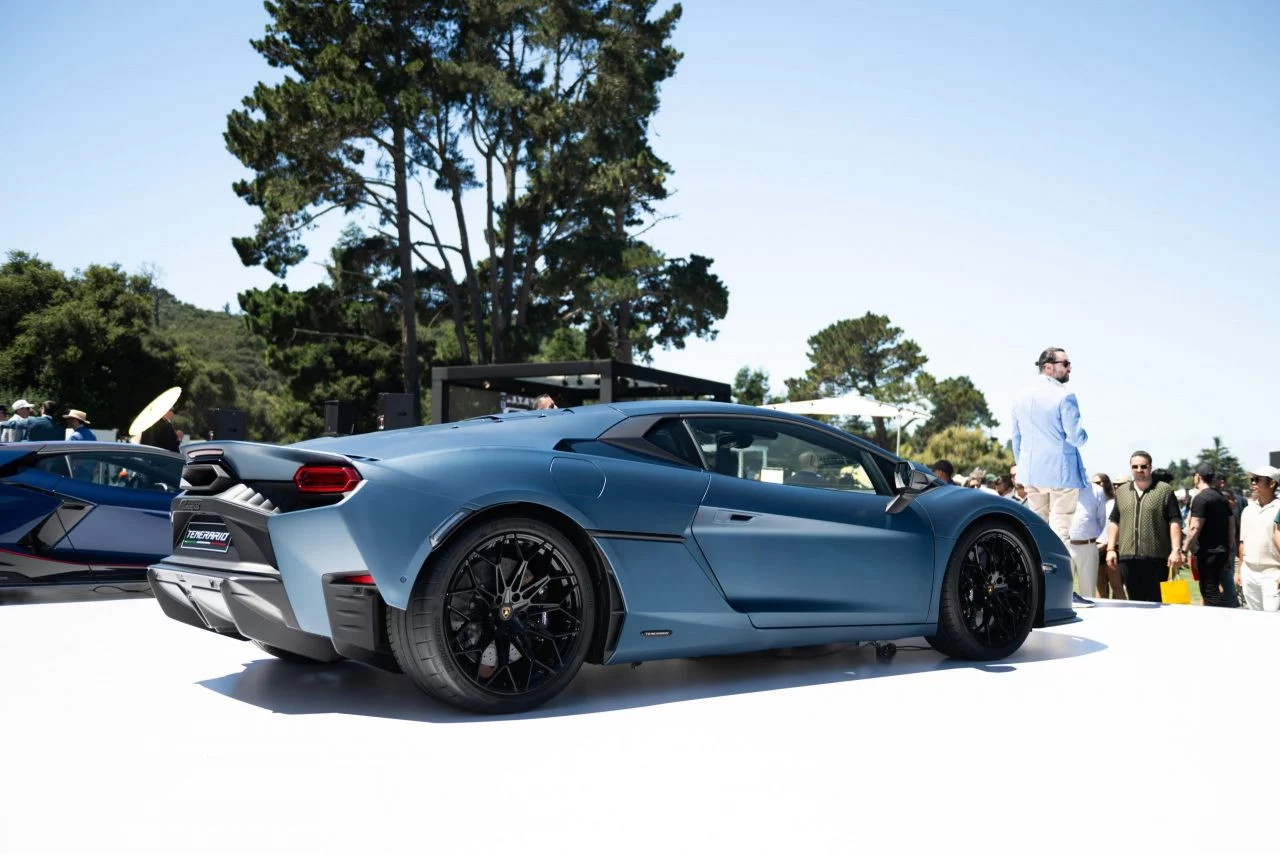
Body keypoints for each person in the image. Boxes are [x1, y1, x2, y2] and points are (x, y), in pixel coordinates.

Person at [1011, 347, 1089, 545]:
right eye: (1065, 364)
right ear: (1048, 367)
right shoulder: (1064, 396)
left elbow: (1016, 439)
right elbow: (1076, 437)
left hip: (1031, 474)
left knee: (1037, 532)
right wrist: (1084, 436)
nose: (1069, 368)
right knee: (1060, 532)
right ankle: (1060, 576)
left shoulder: (1020, 397)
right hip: (1061, 475)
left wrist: (1022, 467)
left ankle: (1039, 575)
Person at [1105, 451, 1183, 603]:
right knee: (1135, 603)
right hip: (1128, 557)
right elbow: (1115, 521)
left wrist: (1176, 550)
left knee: (1157, 603)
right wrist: (1110, 549)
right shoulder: (1121, 492)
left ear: (1150, 467)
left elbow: (1174, 521)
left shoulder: (1164, 490)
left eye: (1143, 466)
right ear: (1130, 467)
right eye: (1135, 466)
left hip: (1156, 558)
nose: (1139, 470)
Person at [1183, 464, 1234, 607]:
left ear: (1198, 477)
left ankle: (1216, 623)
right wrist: (1229, 550)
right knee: (1212, 589)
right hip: (1221, 551)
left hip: (1208, 553)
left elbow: (1194, 527)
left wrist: (1183, 549)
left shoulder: (1201, 499)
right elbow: (1232, 526)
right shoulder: (1222, 498)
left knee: (1209, 591)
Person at [1237, 464, 1280, 611]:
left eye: (1257, 479)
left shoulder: (1279, 508)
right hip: (1249, 573)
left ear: (1272, 483)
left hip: (1273, 574)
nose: (1253, 483)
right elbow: (1242, 542)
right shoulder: (1247, 510)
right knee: (1255, 620)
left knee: (1273, 620)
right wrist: (1239, 571)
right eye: (1252, 480)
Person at [1066, 476, 1108, 607]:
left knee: (1088, 594)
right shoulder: (1059, 490)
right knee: (1063, 592)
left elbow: (1101, 519)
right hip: (1064, 546)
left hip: (1088, 547)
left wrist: (1089, 536)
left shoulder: (1096, 490)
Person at [1091, 473, 1124, 599]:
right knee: (1100, 584)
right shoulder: (1093, 503)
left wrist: (1111, 544)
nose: (1097, 486)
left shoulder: (1115, 502)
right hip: (1097, 546)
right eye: (1093, 483)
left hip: (1113, 547)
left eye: (1099, 482)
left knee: (1116, 585)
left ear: (1106, 483)